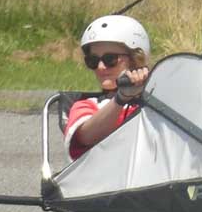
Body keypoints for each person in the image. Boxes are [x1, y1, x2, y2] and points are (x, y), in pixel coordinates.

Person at [63, 14, 151, 161]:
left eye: (110, 59)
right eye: (93, 61)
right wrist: (121, 99)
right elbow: (87, 136)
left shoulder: (159, 99)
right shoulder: (86, 105)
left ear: (135, 59)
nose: (101, 67)